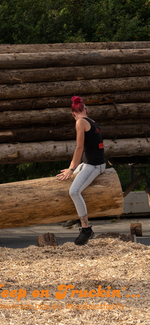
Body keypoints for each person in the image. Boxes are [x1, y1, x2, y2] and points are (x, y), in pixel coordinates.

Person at [56, 96, 107, 245]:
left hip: (94, 166)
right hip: (90, 164)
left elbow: (79, 147)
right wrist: (74, 168)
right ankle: (75, 218)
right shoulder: (92, 122)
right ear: (86, 110)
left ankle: (86, 229)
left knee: (74, 191)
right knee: (66, 178)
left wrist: (72, 168)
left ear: (73, 113)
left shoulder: (80, 122)